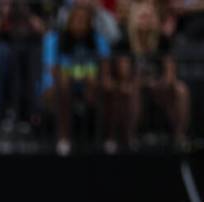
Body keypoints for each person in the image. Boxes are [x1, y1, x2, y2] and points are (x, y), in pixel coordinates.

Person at [113, 0, 190, 149]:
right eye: (142, 16)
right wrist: (145, 82)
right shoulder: (124, 42)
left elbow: (170, 72)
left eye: (149, 16)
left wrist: (162, 83)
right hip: (134, 85)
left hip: (158, 85)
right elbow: (125, 75)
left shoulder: (163, 41)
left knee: (181, 90)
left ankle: (179, 136)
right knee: (131, 90)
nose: (146, 20)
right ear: (134, 18)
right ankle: (130, 137)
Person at [41, 4, 112, 155]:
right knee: (64, 85)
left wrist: (97, 79)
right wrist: (79, 75)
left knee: (107, 88)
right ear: (69, 21)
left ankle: (107, 137)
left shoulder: (97, 39)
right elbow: (53, 71)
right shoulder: (55, 39)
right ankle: (63, 137)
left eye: (84, 20)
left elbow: (104, 68)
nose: (79, 23)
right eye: (76, 19)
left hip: (88, 86)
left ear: (90, 23)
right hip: (58, 86)